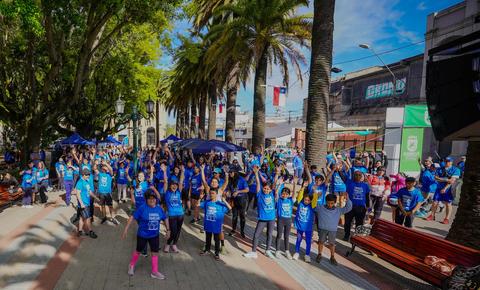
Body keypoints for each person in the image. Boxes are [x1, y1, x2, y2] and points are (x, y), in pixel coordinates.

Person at [122, 190, 170, 280]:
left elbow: (165, 218)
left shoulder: (159, 208)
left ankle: (154, 272)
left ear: (156, 199)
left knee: (155, 252)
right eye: (149, 199)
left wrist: (168, 230)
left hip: (154, 235)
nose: (152, 200)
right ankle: (131, 265)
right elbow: (132, 217)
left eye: (153, 198)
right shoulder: (142, 208)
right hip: (142, 235)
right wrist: (126, 229)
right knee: (138, 251)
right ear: (146, 200)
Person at [244, 166, 277, 259]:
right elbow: (258, 183)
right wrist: (256, 173)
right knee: (256, 235)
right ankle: (254, 252)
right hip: (262, 218)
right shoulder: (259, 194)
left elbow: (274, 183)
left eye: (268, 189)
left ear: (270, 190)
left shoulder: (271, 194)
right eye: (265, 188)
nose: (266, 190)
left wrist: (277, 173)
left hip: (271, 218)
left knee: (269, 235)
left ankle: (268, 250)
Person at [316, 193, 352, 265]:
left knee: (332, 244)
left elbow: (348, 207)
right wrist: (317, 197)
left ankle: (332, 257)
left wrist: (347, 199)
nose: (330, 205)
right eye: (328, 203)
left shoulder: (338, 210)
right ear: (326, 201)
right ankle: (319, 254)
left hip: (332, 230)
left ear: (335, 203)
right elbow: (313, 204)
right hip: (322, 229)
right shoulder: (320, 208)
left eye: (332, 203)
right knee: (321, 242)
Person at [199, 189, 232, 260]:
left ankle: (217, 254)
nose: (211, 195)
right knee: (208, 239)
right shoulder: (207, 202)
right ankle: (207, 250)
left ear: (216, 195)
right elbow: (198, 205)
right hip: (208, 225)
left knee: (217, 240)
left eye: (213, 193)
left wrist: (224, 200)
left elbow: (230, 208)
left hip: (216, 226)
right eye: (210, 193)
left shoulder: (220, 204)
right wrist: (200, 198)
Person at [426, 157, 460, 224]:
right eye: (446, 161)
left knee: (448, 204)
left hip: (449, 189)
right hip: (438, 188)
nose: (447, 162)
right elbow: (436, 178)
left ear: (451, 162)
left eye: (448, 161)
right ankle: (432, 215)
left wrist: (444, 186)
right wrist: (447, 179)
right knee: (435, 202)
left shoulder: (456, 170)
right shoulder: (439, 169)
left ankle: (446, 218)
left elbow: (452, 181)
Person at [163, 164, 185, 253]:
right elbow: (165, 181)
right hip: (172, 215)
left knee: (178, 231)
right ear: (170, 185)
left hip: (180, 214)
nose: (174, 186)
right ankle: (168, 244)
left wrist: (182, 171)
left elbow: (181, 181)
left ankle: (174, 244)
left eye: (175, 185)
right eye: (172, 184)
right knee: (173, 231)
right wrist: (164, 171)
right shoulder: (167, 193)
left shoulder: (178, 192)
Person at [343, 170, 370, 241]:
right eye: (356, 175)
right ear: (353, 176)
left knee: (360, 223)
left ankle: (358, 237)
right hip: (350, 206)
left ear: (362, 177)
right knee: (347, 222)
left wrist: (367, 206)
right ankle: (346, 235)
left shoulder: (365, 185)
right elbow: (342, 176)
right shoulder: (349, 183)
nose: (357, 176)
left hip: (361, 207)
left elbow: (367, 196)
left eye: (359, 175)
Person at [293, 191, 318, 263]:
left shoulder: (312, 206)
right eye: (305, 200)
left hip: (308, 227)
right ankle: (296, 253)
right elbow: (300, 195)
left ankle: (307, 255)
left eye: (308, 200)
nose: (306, 201)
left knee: (308, 241)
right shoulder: (300, 204)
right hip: (300, 226)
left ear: (311, 201)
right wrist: (303, 187)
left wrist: (315, 191)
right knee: (298, 239)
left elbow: (315, 199)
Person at [74, 169, 99, 238]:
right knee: (88, 218)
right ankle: (90, 231)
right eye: (87, 175)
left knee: (82, 218)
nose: (88, 176)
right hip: (84, 204)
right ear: (83, 175)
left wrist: (96, 198)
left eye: (89, 175)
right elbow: (77, 193)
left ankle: (79, 231)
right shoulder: (80, 182)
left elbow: (90, 192)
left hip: (87, 203)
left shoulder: (87, 182)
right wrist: (81, 204)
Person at [227, 168, 249, 237]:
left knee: (242, 216)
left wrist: (238, 191)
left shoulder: (241, 179)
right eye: (229, 172)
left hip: (242, 200)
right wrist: (228, 192)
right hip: (234, 200)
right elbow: (229, 189)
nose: (230, 173)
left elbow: (247, 190)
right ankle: (233, 230)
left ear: (235, 172)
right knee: (234, 216)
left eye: (231, 172)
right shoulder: (230, 179)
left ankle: (242, 231)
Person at [95, 161, 118, 225]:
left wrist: (106, 164)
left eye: (105, 168)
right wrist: (96, 163)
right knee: (102, 206)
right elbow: (94, 169)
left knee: (110, 206)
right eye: (103, 168)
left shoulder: (109, 174)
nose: (104, 169)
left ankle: (112, 218)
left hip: (108, 193)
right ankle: (104, 217)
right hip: (101, 193)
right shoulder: (100, 174)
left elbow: (111, 169)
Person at [275, 187, 294, 259]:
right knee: (279, 235)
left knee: (287, 236)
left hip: (288, 220)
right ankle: (277, 250)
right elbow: (276, 193)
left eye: (286, 194)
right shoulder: (279, 200)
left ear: (289, 195)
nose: (284, 195)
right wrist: (279, 186)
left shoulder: (290, 200)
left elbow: (294, 193)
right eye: (283, 193)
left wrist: (294, 184)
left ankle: (287, 251)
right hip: (280, 220)